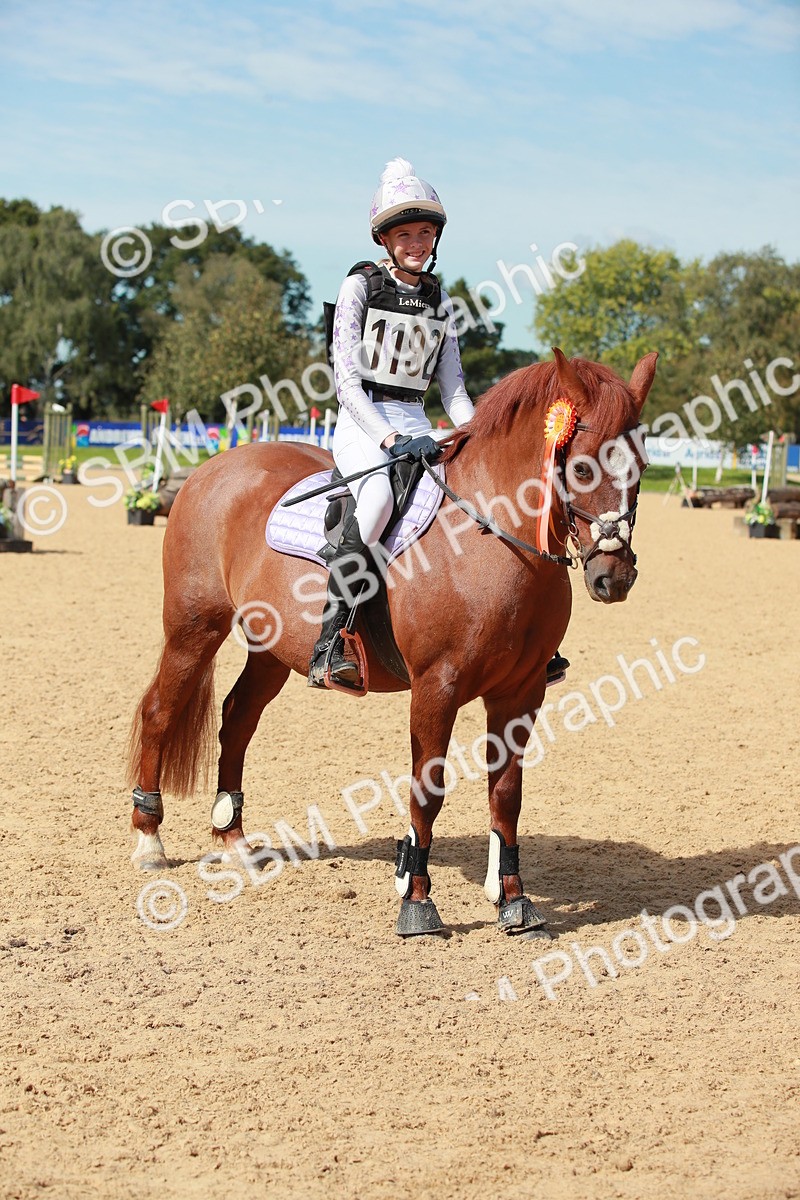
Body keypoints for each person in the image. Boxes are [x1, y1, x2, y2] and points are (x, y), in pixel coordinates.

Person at [308, 157, 474, 688]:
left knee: (485, 490)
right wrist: (387, 437)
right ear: (385, 238)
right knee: (377, 495)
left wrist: (475, 433)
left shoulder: (440, 298)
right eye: (406, 233)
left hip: (418, 422)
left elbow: (453, 390)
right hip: (365, 421)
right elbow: (346, 382)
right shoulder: (359, 285)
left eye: (426, 232)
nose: (417, 242)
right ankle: (332, 634)